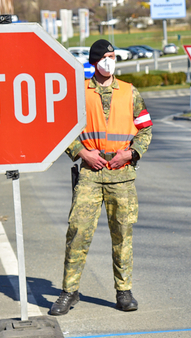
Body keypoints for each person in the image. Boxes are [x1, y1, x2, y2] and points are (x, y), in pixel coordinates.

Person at [50, 39, 153, 315]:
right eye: (105, 57)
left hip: (122, 177)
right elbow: (63, 128)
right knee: (78, 232)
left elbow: (145, 130)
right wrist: (81, 153)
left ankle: (124, 291)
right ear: (95, 62)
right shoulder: (79, 93)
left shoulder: (130, 93)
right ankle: (69, 292)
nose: (110, 61)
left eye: (113, 56)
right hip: (90, 176)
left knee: (123, 236)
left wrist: (131, 153)